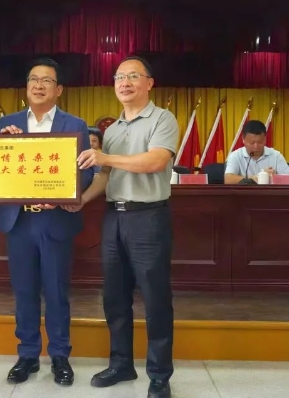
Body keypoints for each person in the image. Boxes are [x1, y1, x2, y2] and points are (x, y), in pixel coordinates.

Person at [66, 56, 178, 398]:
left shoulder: (163, 119)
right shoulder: (112, 129)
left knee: (155, 298)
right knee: (114, 296)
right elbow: (105, 176)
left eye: (133, 76)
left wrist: (106, 157)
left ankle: (159, 374)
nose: (124, 83)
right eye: (119, 77)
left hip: (149, 217)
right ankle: (121, 364)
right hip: (114, 217)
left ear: (149, 83)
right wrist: (82, 199)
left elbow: (156, 161)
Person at [0, 58, 94, 386]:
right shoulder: (7, 123)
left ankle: (60, 355)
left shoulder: (75, 125)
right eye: (33, 79)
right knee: (24, 291)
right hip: (19, 221)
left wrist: (64, 196)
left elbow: (86, 171)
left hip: (55, 219)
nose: (38, 85)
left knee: (56, 290)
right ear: (26, 87)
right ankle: (27, 355)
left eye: (46, 80)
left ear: (59, 89)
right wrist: (3, 145)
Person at [224, 120, 289, 184]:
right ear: (243, 139)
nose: (256, 146)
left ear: (265, 139)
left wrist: (275, 177)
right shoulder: (235, 156)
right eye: (252, 142)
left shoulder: (276, 156)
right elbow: (228, 179)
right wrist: (256, 178)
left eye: (260, 142)